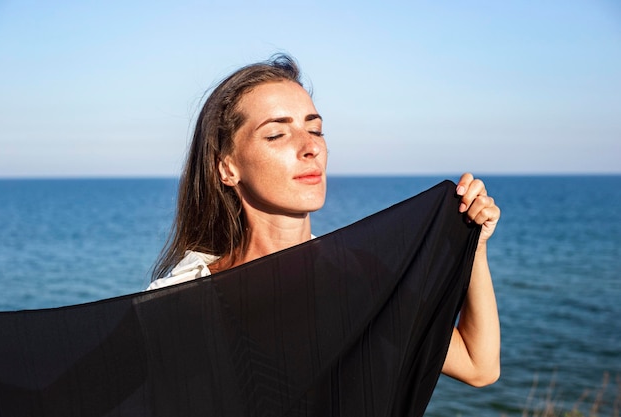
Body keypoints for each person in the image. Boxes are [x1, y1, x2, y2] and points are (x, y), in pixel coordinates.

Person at [149, 54, 501, 388]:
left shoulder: (359, 277)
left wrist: (475, 246)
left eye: (315, 131)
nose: (310, 147)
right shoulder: (183, 296)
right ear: (227, 167)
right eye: (276, 134)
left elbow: (478, 365)